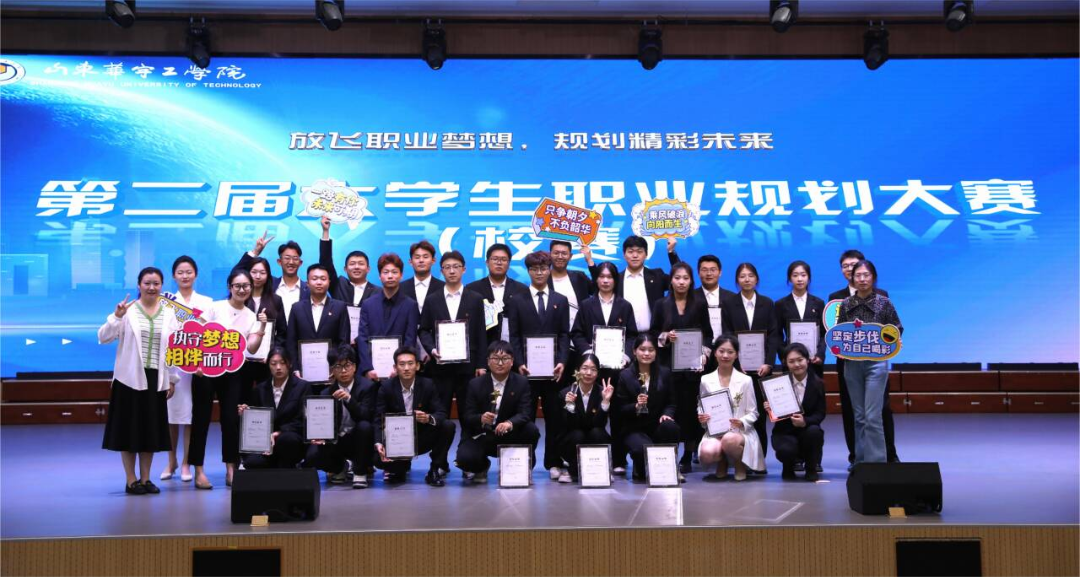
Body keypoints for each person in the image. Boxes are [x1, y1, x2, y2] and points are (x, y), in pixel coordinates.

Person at [98, 267, 179, 495]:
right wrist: (116, 317)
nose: (151, 287)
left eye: (156, 283)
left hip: (156, 379)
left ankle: (146, 478)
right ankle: (131, 480)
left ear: (162, 286)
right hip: (129, 379)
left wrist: (172, 378)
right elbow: (103, 337)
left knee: (150, 431)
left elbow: (173, 349)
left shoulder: (169, 313)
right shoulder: (128, 311)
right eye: (147, 283)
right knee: (129, 431)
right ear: (138, 285)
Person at [189, 268, 269, 490]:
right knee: (201, 419)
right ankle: (199, 471)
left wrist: (262, 326)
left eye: (246, 286)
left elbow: (251, 347)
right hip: (205, 370)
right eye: (237, 286)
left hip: (234, 371)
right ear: (229, 287)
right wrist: (195, 363)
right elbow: (195, 334)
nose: (242, 290)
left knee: (231, 420)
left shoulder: (251, 315)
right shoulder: (215, 307)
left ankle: (231, 469)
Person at [828, 249, 899, 466]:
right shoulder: (846, 304)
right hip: (851, 365)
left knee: (873, 415)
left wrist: (889, 339)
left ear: (873, 277)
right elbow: (839, 332)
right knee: (858, 416)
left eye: (866, 275)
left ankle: (877, 463)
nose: (861, 279)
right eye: (857, 275)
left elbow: (897, 328)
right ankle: (860, 462)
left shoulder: (884, 302)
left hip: (876, 365)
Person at [504, 250, 571, 479]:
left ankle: (553, 462)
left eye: (543, 268)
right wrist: (519, 363)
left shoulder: (560, 300)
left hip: (553, 371)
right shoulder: (517, 300)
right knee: (525, 418)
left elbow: (564, 334)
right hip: (526, 372)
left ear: (549, 270)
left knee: (555, 418)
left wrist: (562, 361)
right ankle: (525, 464)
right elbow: (513, 335)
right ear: (528, 271)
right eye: (534, 269)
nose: (539, 273)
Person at [569, 261, 637, 473]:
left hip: (617, 370)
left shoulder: (625, 305)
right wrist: (587, 351)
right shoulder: (586, 305)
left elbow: (632, 335)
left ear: (615, 280)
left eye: (610, 277)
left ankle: (618, 460)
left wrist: (626, 354)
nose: (606, 281)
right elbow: (576, 333)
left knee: (618, 415)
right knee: (591, 414)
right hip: (592, 371)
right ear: (596, 279)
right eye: (602, 277)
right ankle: (588, 460)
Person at [650, 262, 713, 473]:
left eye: (686, 278)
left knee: (689, 412)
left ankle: (687, 454)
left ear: (691, 281)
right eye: (677, 278)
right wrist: (665, 336)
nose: (681, 282)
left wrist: (704, 354)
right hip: (667, 367)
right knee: (670, 409)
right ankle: (668, 454)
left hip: (692, 369)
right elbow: (653, 333)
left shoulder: (699, 304)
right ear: (671, 280)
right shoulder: (661, 304)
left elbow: (708, 334)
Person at [418, 251, 488, 426]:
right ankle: (441, 445)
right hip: (440, 367)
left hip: (468, 367)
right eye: (447, 267)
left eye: (456, 267)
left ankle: (468, 444)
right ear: (441, 271)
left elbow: (481, 333)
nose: (451, 271)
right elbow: (423, 330)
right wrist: (432, 349)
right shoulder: (432, 299)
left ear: (464, 269)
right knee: (440, 413)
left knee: (469, 413)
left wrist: (481, 365)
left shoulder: (475, 298)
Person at [720, 262, 779, 469]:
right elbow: (727, 335)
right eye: (742, 276)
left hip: (762, 370)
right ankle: (738, 459)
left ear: (757, 279)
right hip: (738, 371)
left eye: (751, 275)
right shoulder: (729, 303)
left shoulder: (767, 303)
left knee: (759, 416)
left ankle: (759, 462)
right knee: (737, 413)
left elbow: (774, 336)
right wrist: (736, 362)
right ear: (737, 280)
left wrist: (769, 363)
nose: (747, 279)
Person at [456, 341, 541, 482]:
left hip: (509, 434)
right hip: (484, 435)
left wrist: (510, 423)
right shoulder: (475, 384)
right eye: (495, 358)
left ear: (512, 361)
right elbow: (467, 416)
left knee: (531, 430)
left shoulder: (521, 382)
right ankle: (482, 466)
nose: (500, 363)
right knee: (464, 459)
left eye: (505, 358)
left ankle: (520, 467)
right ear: (488, 361)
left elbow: (525, 412)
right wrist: (481, 418)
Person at [161, 256, 213, 483]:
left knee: (191, 416)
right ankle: (171, 461)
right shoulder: (166, 301)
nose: (185, 276)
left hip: (197, 366)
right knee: (172, 416)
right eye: (180, 272)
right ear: (174, 276)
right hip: (173, 364)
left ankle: (186, 463)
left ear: (196, 274)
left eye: (189, 272)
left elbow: (210, 333)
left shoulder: (207, 302)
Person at [373, 347, 457, 487]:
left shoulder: (428, 384)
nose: (406, 368)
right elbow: (378, 419)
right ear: (395, 367)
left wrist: (428, 418)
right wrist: (378, 443)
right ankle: (400, 469)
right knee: (377, 459)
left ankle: (434, 469)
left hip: (421, 436)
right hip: (397, 439)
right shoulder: (386, 387)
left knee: (448, 426)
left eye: (410, 363)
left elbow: (441, 412)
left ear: (417, 366)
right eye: (402, 364)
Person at [304, 344, 378, 488]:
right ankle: (340, 467)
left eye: (347, 365)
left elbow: (366, 416)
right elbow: (322, 423)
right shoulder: (326, 393)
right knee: (311, 456)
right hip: (337, 440)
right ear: (331, 370)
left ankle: (360, 471)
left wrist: (349, 400)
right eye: (338, 366)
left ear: (354, 367)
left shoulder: (367, 387)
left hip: (359, 439)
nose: (343, 371)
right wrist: (319, 434)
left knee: (364, 426)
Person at [696, 335, 764, 481]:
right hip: (715, 430)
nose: (725, 355)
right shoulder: (705, 380)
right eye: (721, 351)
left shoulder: (746, 380)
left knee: (729, 440)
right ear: (715, 353)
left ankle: (740, 464)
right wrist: (702, 416)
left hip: (739, 432)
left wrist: (742, 422)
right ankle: (723, 461)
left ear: (737, 355)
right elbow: (701, 405)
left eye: (730, 352)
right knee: (707, 452)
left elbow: (754, 412)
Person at [614, 334, 680, 482]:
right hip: (634, 428)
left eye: (651, 350)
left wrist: (667, 414)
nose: (646, 353)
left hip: (657, 425)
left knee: (671, 427)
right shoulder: (625, 375)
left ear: (656, 352)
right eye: (642, 349)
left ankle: (670, 467)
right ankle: (641, 467)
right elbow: (621, 409)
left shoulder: (665, 373)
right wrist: (636, 406)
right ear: (634, 351)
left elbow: (671, 402)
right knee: (642, 452)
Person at [582, 236, 676, 337]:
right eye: (630, 252)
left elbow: (680, 277)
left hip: (653, 337)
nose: (635, 255)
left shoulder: (657, 276)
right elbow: (598, 286)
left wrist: (671, 252)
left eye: (639, 251)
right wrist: (590, 262)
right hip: (623, 338)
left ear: (646, 254)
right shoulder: (617, 279)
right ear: (624, 255)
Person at [237, 347, 312, 469]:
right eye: (273, 363)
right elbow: (256, 421)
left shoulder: (303, 386)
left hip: (290, 437)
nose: (278, 367)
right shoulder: (259, 389)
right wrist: (246, 413)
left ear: (289, 364)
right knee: (252, 463)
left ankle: (288, 465)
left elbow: (304, 420)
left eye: (282, 363)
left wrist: (279, 432)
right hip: (265, 440)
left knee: (287, 440)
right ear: (268, 365)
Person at [357, 253, 420, 381]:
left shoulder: (410, 305)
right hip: (371, 373)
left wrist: (400, 368)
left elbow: (410, 340)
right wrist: (367, 368)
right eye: (385, 272)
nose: (390, 276)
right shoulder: (368, 304)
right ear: (379, 276)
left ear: (401, 275)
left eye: (394, 272)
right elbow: (362, 338)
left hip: (399, 374)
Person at [768, 343, 826, 482]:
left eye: (800, 360)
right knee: (786, 450)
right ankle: (788, 466)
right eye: (792, 361)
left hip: (807, 430)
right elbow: (775, 416)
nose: (797, 364)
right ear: (785, 363)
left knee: (814, 432)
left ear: (807, 360)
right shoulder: (777, 385)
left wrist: (804, 421)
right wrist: (770, 409)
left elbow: (820, 414)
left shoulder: (818, 383)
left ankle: (811, 468)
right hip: (785, 431)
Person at [285, 264, 352, 380]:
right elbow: (291, 341)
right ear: (307, 283)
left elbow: (343, 341)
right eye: (314, 279)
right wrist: (294, 368)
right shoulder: (296, 308)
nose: (319, 282)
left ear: (329, 282)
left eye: (323, 279)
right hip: (302, 373)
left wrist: (338, 366)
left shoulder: (340, 307)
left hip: (332, 372)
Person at [557, 354, 614, 483]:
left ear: (598, 373)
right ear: (577, 370)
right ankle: (572, 471)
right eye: (584, 368)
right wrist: (570, 406)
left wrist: (605, 401)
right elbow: (567, 425)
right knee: (577, 435)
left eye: (593, 369)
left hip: (594, 435)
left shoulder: (602, 392)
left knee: (598, 432)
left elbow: (600, 424)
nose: (588, 373)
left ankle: (601, 470)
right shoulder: (565, 393)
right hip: (573, 437)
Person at [465, 243, 529, 347]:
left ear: (509, 264)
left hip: (513, 349)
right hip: (483, 348)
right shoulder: (472, 289)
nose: (499, 263)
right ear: (487, 262)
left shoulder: (522, 290)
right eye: (495, 259)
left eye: (503, 259)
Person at [237, 232, 309, 324]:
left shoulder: (309, 289)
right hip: (269, 332)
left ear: (300, 263)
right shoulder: (269, 284)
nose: (291, 262)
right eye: (287, 258)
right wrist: (255, 252)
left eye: (295, 258)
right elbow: (237, 275)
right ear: (279, 261)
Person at [775, 260, 826, 380]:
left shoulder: (818, 303)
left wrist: (820, 355)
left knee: (814, 391)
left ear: (809, 278)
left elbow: (824, 334)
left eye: (803, 275)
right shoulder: (780, 304)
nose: (799, 279)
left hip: (814, 361)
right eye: (795, 275)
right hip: (791, 362)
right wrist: (785, 355)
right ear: (789, 278)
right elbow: (776, 334)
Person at [320, 215, 379, 307]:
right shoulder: (338, 285)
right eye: (352, 264)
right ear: (345, 269)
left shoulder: (378, 292)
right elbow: (325, 262)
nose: (356, 267)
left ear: (368, 269)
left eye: (361, 263)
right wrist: (325, 231)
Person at [547, 240, 593, 333]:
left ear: (570, 256)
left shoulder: (580, 277)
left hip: (580, 334)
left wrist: (589, 261)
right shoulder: (543, 280)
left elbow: (598, 290)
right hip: (554, 334)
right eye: (556, 253)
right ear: (550, 255)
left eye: (564, 253)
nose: (560, 257)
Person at [695, 254, 737, 340]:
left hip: (726, 346)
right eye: (704, 270)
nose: (709, 273)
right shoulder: (691, 297)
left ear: (720, 272)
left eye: (713, 270)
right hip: (699, 345)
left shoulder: (732, 298)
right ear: (698, 273)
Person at [399, 239, 444, 316]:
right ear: (410, 262)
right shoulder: (400, 288)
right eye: (417, 257)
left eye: (425, 257)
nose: (421, 260)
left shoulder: (443, 288)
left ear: (433, 260)